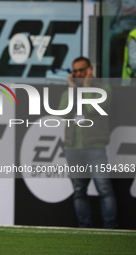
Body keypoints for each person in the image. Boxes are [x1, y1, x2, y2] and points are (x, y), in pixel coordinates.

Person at [58, 57, 117, 229]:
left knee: (104, 189)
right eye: (75, 71)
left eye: (82, 70)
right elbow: (63, 113)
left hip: (95, 147)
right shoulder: (69, 93)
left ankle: (110, 227)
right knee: (79, 191)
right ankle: (84, 226)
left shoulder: (103, 90)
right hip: (72, 148)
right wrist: (72, 91)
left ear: (90, 70)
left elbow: (92, 108)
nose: (78, 74)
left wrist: (86, 88)